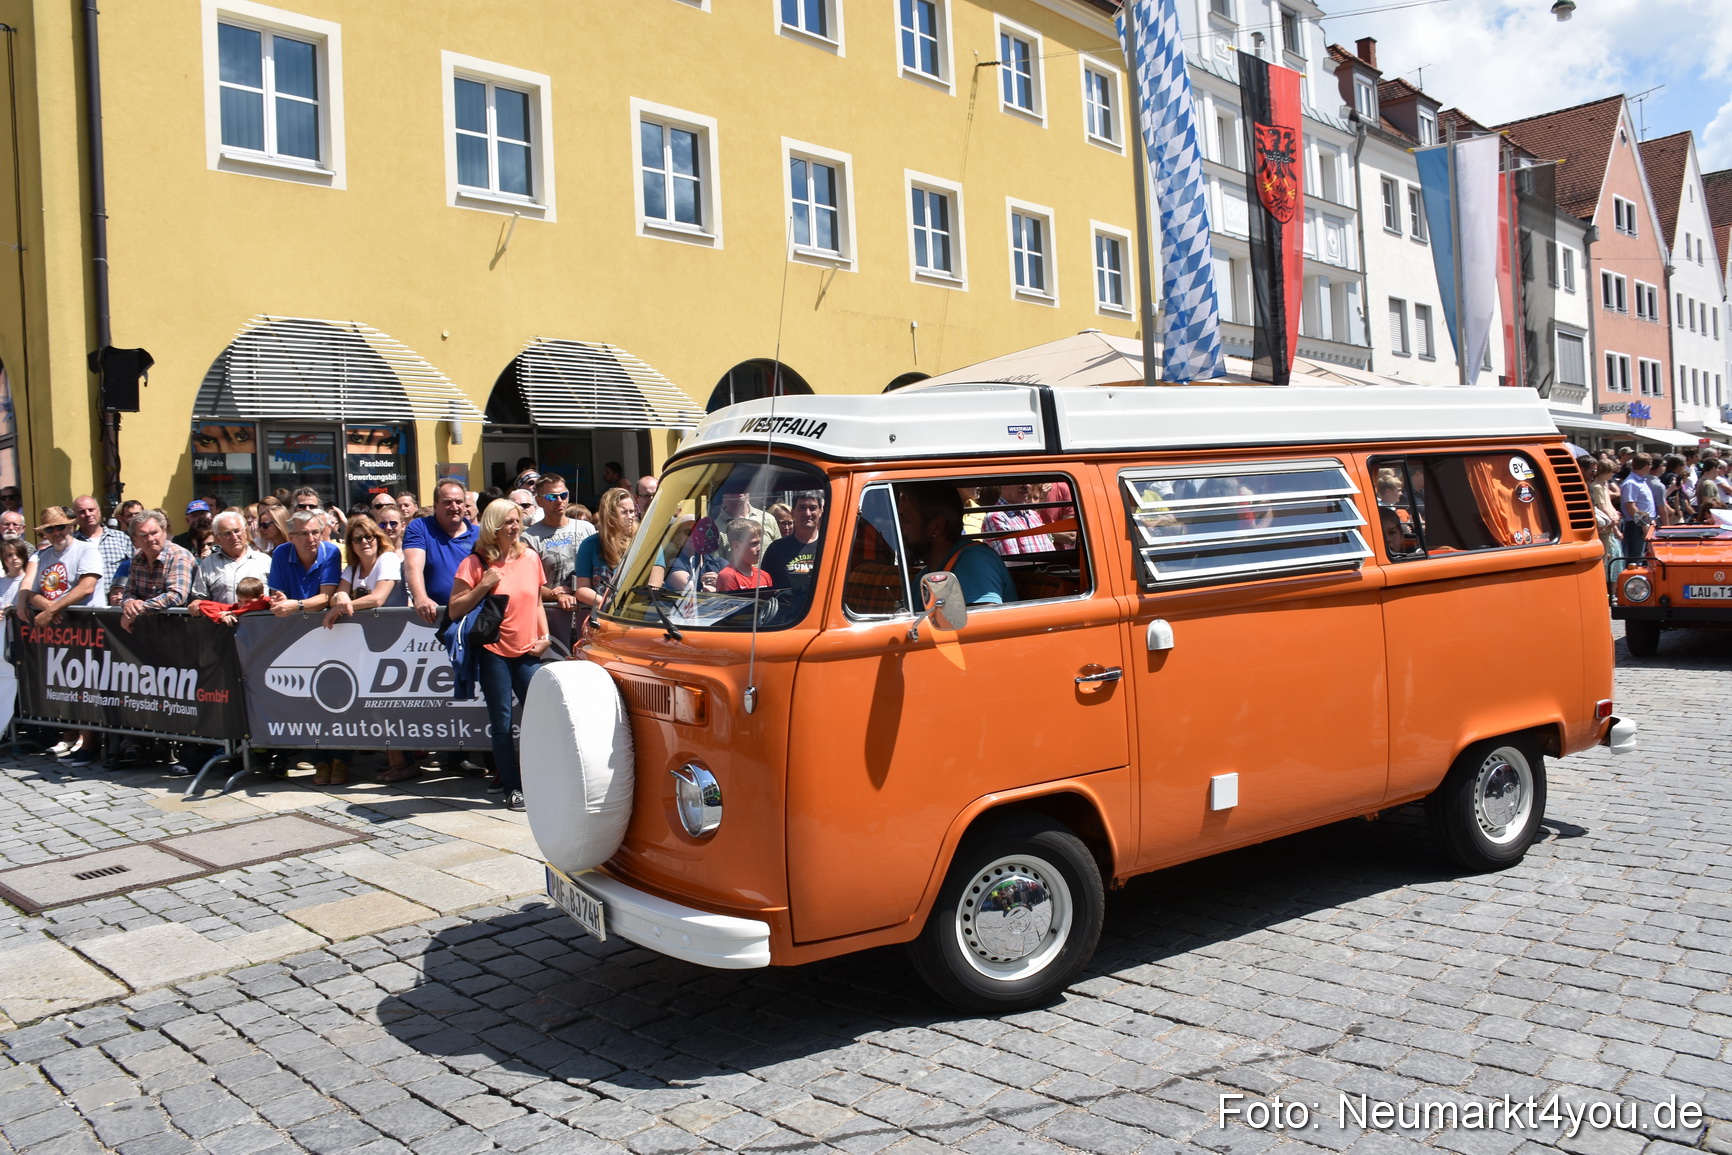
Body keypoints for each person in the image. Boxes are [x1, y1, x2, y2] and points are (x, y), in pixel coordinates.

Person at [449, 499, 550, 811]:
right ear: (493, 526)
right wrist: (484, 585)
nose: (514, 526)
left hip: (528, 651)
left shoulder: (530, 557)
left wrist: (545, 637)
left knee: (542, 717)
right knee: (502, 722)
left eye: (517, 520)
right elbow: (454, 609)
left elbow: (536, 602)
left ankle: (543, 779)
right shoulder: (476, 563)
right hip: (494, 652)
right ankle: (511, 786)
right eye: (507, 521)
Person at [17, 508, 104, 764]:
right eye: (50, 530)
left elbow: (87, 585)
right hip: (58, 633)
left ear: (71, 527)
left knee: (88, 687)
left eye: (61, 527)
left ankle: (90, 745)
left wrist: (53, 609)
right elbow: (33, 591)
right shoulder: (43, 555)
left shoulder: (85, 549)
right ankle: (72, 737)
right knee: (67, 688)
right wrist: (48, 608)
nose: (57, 533)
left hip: (86, 628)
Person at [896, 482, 1016, 606]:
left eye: (905, 519)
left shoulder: (974, 563)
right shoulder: (924, 577)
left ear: (937, 526)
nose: (898, 528)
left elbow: (984, 622)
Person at [525, 473, 591, 648]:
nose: (559, 501)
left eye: (563, 495)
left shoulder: (587, 528)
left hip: (588, 614)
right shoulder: (529, 538)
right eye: (551, 497)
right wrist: (558, 595)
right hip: (552, 617)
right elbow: (528, 584)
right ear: (539, 501)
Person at [403, 480, 478, 625]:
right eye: (447, 502)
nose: (454, 507)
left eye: (459, 502)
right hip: (432, 618)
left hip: (472, 617)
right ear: (435, 505)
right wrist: (420, 598)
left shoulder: (479, 534)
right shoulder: (420, 527)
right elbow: (413, 566)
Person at [112, 509, 196, 633]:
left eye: (154, 533)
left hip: (180, 629)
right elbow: (129, 591)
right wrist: (129, 603)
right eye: (143, 535)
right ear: (135, 540)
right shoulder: (137, 557)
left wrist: (139, 609)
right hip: (148, 630)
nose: (150, 539)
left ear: (164, 532)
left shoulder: (179, 556)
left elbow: (176, 596)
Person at [573, 487, 638, 633]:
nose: (630, 516)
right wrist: (608, 604)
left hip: (639, 617)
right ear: (610, 515)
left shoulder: (644, 541)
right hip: (604, 620)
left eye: (632, 511)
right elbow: (582, 589)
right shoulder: (590, 544)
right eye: (624, 512)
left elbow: (655, 582)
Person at [268, 510, 341, 617]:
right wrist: (279, 600)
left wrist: (297, 605)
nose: (311, 539)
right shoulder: (280, 553)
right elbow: (276, 594)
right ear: (291, 537)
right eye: (303, 534)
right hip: (292, 624)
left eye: (315, 532)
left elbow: (325, 598)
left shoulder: (331, 552)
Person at [191, 510, 273, 603]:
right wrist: (196, 603)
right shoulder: (208, 564)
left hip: (257, 617)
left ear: (245, 532)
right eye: (227, 533)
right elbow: (199, 596)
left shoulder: (264, 561)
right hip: (223, 616)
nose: (234, 537)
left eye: (237, 531)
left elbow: (276, 594)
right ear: (217, 539)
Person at [763, 489, 823, 596]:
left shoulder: (831, 546)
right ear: (793, 512)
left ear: (820, 512)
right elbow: (764, 588)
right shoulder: (776, 548)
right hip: (786, 610)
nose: (807, 513)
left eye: (813, 508)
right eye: (802, 508)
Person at [72, 495, 130, 592]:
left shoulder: (122, 539)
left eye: (91, 510)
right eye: (82, 511)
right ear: (76, 516)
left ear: (99, 511)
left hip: (116, 604)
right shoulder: (72, 543)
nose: (87, 514)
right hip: (83, 605)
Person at [982, 483, 1055, 556]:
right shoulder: (996, 517)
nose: (1026, 485)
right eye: (1020, 481)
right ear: (1004, 484)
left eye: (1029, 481)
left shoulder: (1033, 515)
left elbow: (1051, 554)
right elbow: (1014, 563)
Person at [1619, 453, 1657, 568]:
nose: (1651, 467)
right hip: (1636, 526)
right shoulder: (1631, 483)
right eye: (1650, 464)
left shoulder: (1640, 481)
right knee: (1635, 559)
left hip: (1645, 524)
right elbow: (1631, 506)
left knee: (1645, 557)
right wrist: (1643, 524)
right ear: (1646, 465)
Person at [716, 519, 772, 591]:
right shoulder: (728, 576)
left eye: (760, 543)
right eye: (754, 544)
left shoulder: (764, 576)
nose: (759, 548)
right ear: (736, 546)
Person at [0, 540, 26, 610]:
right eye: (9, 555)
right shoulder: (1, 583)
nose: (14, 558)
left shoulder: (30, 580)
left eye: (18, 554)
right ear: (4, 559)